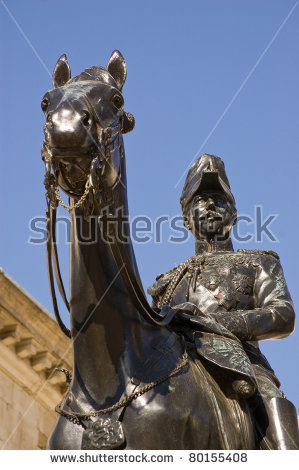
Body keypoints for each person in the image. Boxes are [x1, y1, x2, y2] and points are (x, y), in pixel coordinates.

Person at [148, 154, 299, 450]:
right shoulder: (166, 283)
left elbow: (283, 315)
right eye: (200, 201)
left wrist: (213, 322)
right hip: (177, 368)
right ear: (186, 218)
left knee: (270, 402)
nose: (210, 206)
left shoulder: (259, 262)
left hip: (242, 366)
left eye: (219, 200)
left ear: (234, 213)